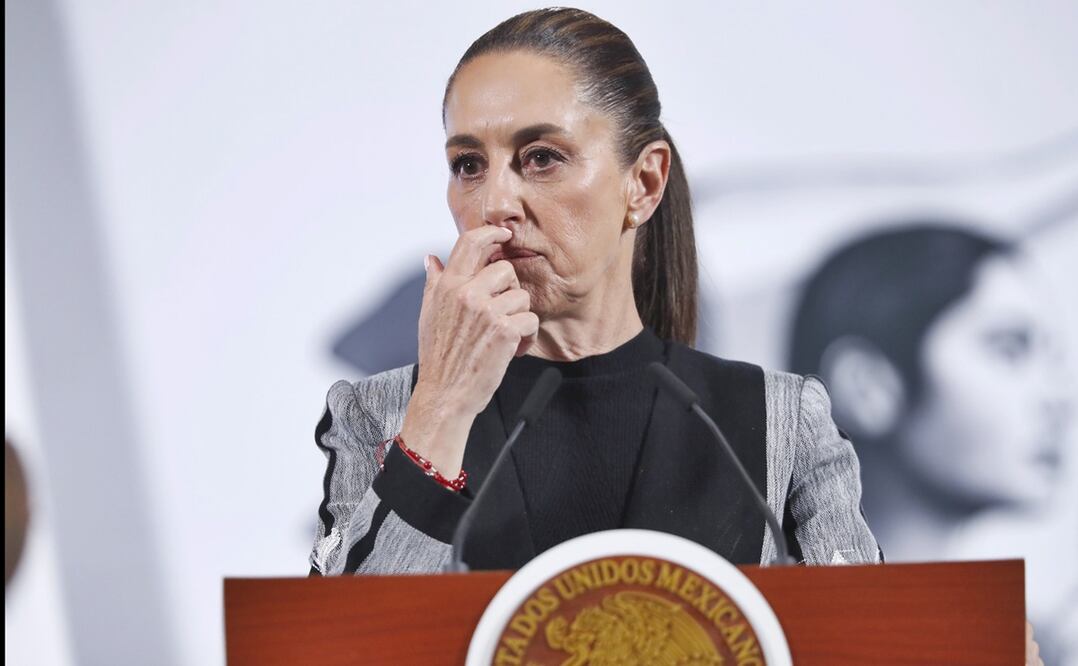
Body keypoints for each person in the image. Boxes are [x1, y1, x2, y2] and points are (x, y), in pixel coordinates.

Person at [308, 7, 883, 577]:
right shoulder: (377, 416)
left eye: (541, 158)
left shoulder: (777, 421)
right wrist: (442, 408)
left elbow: (869, 640)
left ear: (644, 183)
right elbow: (340, 645)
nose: (494, 204)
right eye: (468, 164)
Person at [787, 223, 1070, 560]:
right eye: (1009, 350)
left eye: (1052, 358)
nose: (1061, 398)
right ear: (868, 387)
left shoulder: (1017, 614)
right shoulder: (747, 606)